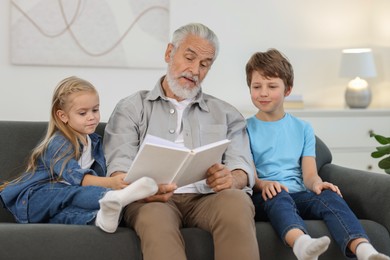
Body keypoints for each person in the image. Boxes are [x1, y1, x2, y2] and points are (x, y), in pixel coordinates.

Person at [103, 23, 259, 260]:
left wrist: (232, 178)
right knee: (153, 216)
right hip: (152, 200)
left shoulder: (227, 113)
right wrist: (138, 188)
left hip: (208, 198)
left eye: (204, 65)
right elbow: (118, 169)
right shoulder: (132, 107)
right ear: (169, 53)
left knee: (237, 202)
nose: (195, 70)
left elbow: (242, 165)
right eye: (189, 57)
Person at [245, 49, 390, 260]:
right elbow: (248, 173)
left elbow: (310, 175)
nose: (263, 92)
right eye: (256, 87)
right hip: (266, 197)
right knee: (279, 195)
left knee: (328, 195)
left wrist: (317, 184)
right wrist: (263, 184)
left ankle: (364, 250)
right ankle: (302, 244)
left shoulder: (303, 128)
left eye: (272, 86)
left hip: (299, 195)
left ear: (288, 90)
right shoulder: (244, 129)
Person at [0, 76, 158, 233]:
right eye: (83, 113)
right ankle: (113, 197)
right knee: (71, 192)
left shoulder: (95, 142)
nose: (92, 117)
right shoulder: (59, 143)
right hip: (37, 200)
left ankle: (100, 218)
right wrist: (111, 184)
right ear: (63, 116)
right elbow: (78, 178)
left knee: (66, 215)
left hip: (57, 209)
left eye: (95, 110)